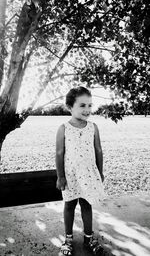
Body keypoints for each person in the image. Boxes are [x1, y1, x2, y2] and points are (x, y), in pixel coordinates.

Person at [55, 86, 105, 256]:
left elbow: (98, 150)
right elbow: (59, 153)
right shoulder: (63, 128)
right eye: (82, 105)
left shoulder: (93, 127)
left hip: (89, 174)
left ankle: (88, 237)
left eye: (90, 105)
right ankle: (68, 239)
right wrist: (60, 176)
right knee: (69, 205)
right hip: (70, 176)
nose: (87, 109)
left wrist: (100, 172)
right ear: (70, 107)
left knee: (86, 204)